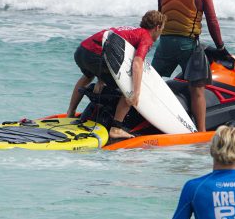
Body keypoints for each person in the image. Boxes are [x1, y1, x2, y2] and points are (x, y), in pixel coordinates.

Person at [153, 0, 229, 132]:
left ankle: (143, 120)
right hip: (188, 44)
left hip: (165, 42)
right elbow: (212, 21)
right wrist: (221, 46)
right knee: (197, 89)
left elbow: (159, 14)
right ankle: (201, 132)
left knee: (152, 81)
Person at [67, 10, 166, 139]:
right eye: (162, 28)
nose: (161, 32)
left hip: (82, 51)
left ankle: (70, 112)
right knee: (128, 91)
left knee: (87, 76)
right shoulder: (146, 37)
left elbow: (109, 44)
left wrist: (100, 78)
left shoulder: (132, 31)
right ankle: (116, 129)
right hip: (96, 56)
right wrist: (136, 92)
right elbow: (137, 63)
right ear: (157, 27)